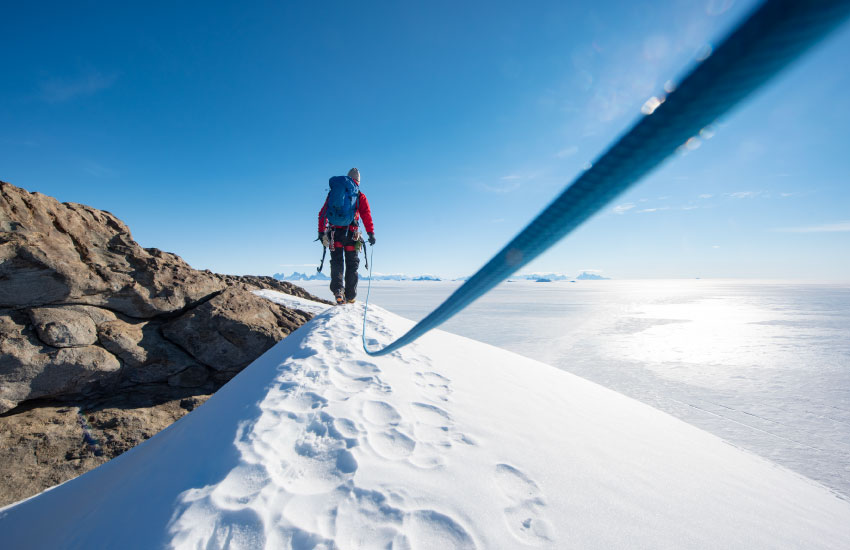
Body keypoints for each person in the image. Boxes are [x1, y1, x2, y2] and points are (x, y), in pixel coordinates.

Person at [318, 168, 375, 304]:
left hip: (334, 234)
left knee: (336, 262)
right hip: (351, 235)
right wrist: (371, 233)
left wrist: (321, 232)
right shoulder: (359, 195)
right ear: (358, 181)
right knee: (352, 264)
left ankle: (338, 290)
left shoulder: (333, 193)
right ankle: (350, 296)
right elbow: (366, 215)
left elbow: (323, 213)